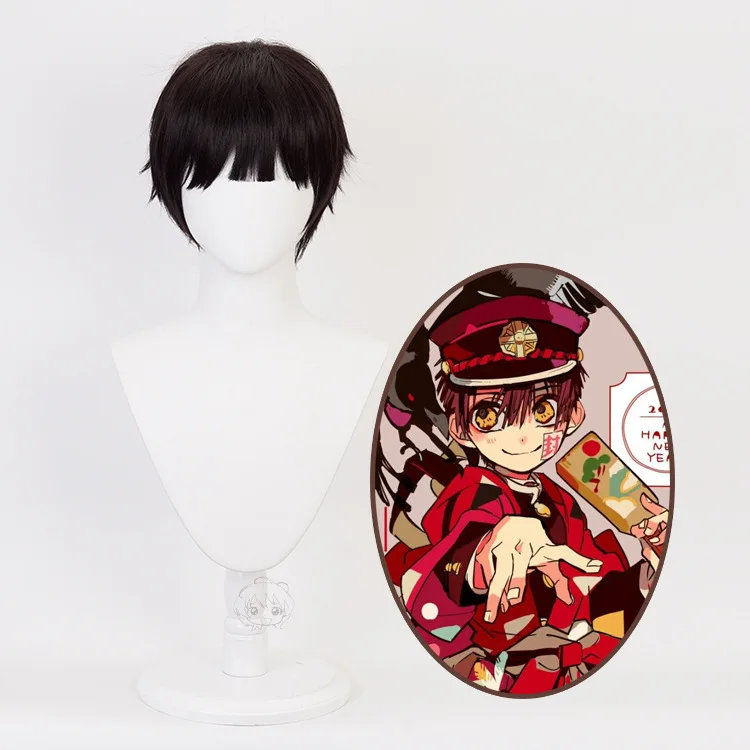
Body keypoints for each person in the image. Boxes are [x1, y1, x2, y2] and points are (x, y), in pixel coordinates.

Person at [384, 293, 668, 693]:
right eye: (489, 415)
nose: (521, 434)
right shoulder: (470, 494)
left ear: (573, 415)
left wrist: (647, 571)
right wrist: (481, 561)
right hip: (493, 679)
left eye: (544, 410)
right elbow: (444, 575)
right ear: (460, 428)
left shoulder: (559, 499)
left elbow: (591, 586)